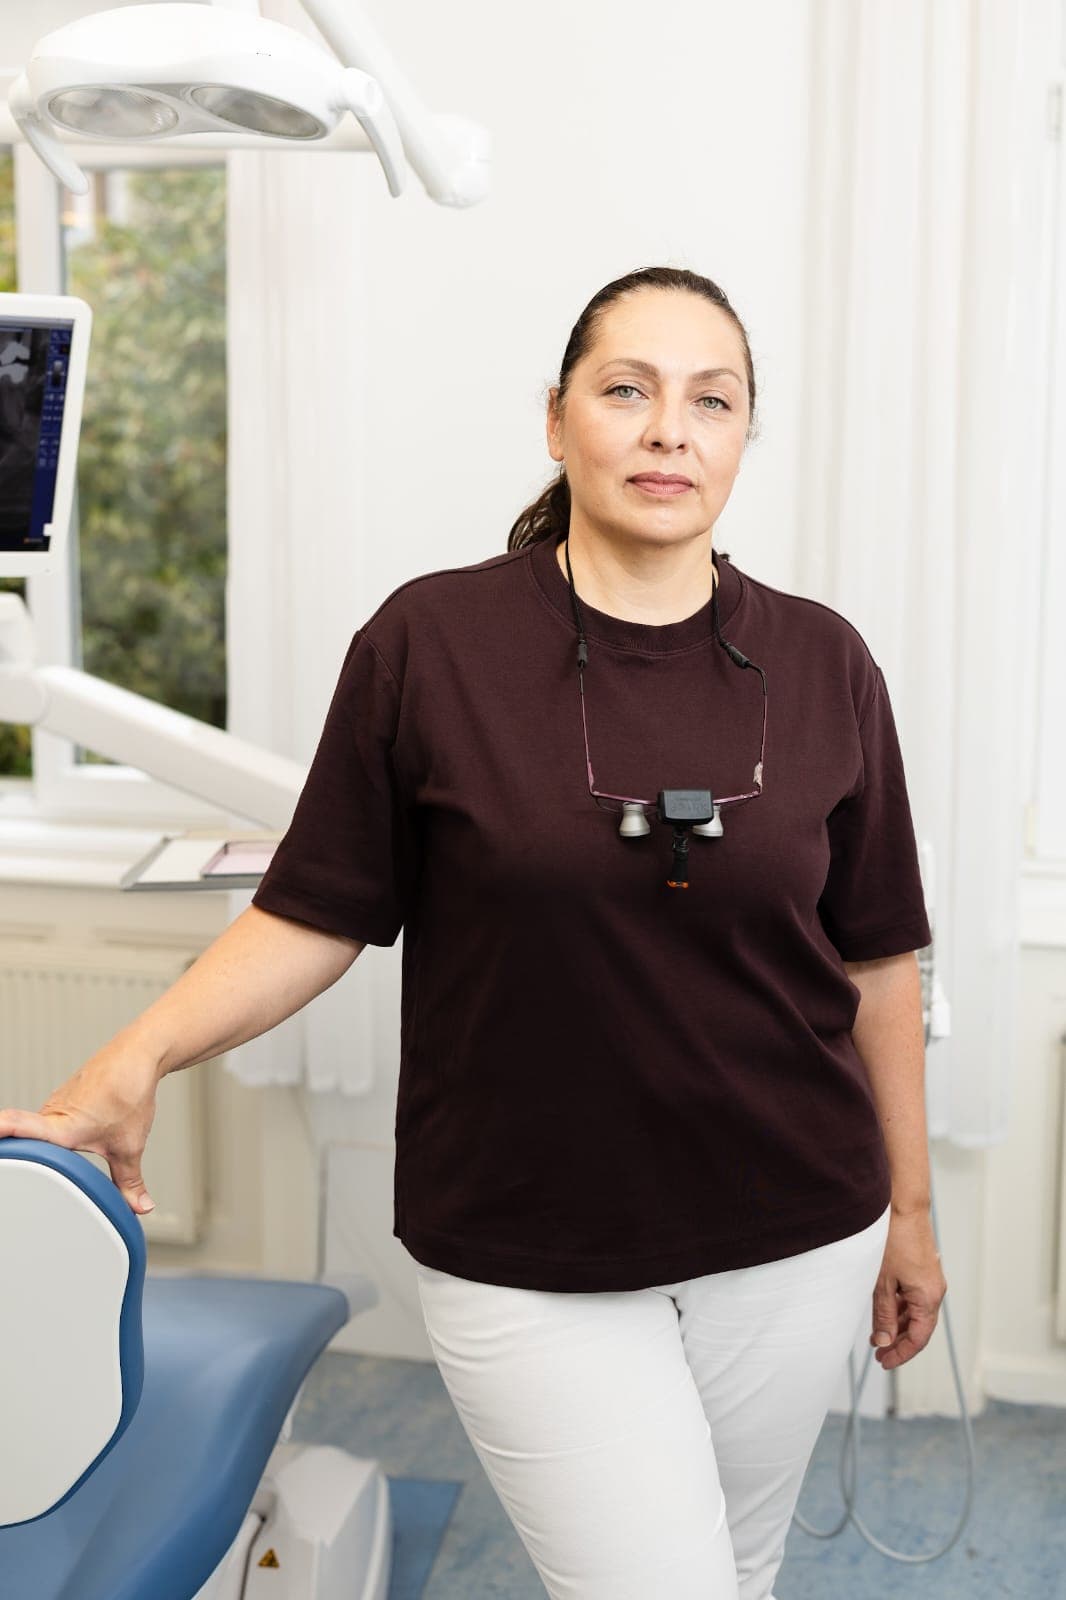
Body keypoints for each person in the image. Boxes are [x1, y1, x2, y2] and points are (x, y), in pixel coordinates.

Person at [0, 265, 947, 1599]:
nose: (669, 428)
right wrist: (133, 1058)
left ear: (740, 438)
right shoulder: (428, 644)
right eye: (628, 389)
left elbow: (875, 958)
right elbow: (314, 909)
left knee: (734, 1569)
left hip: (793, 1234)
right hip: (529, 1247)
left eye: (710, 400)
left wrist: (907, 1215)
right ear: (557, 421)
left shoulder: (823, 661)